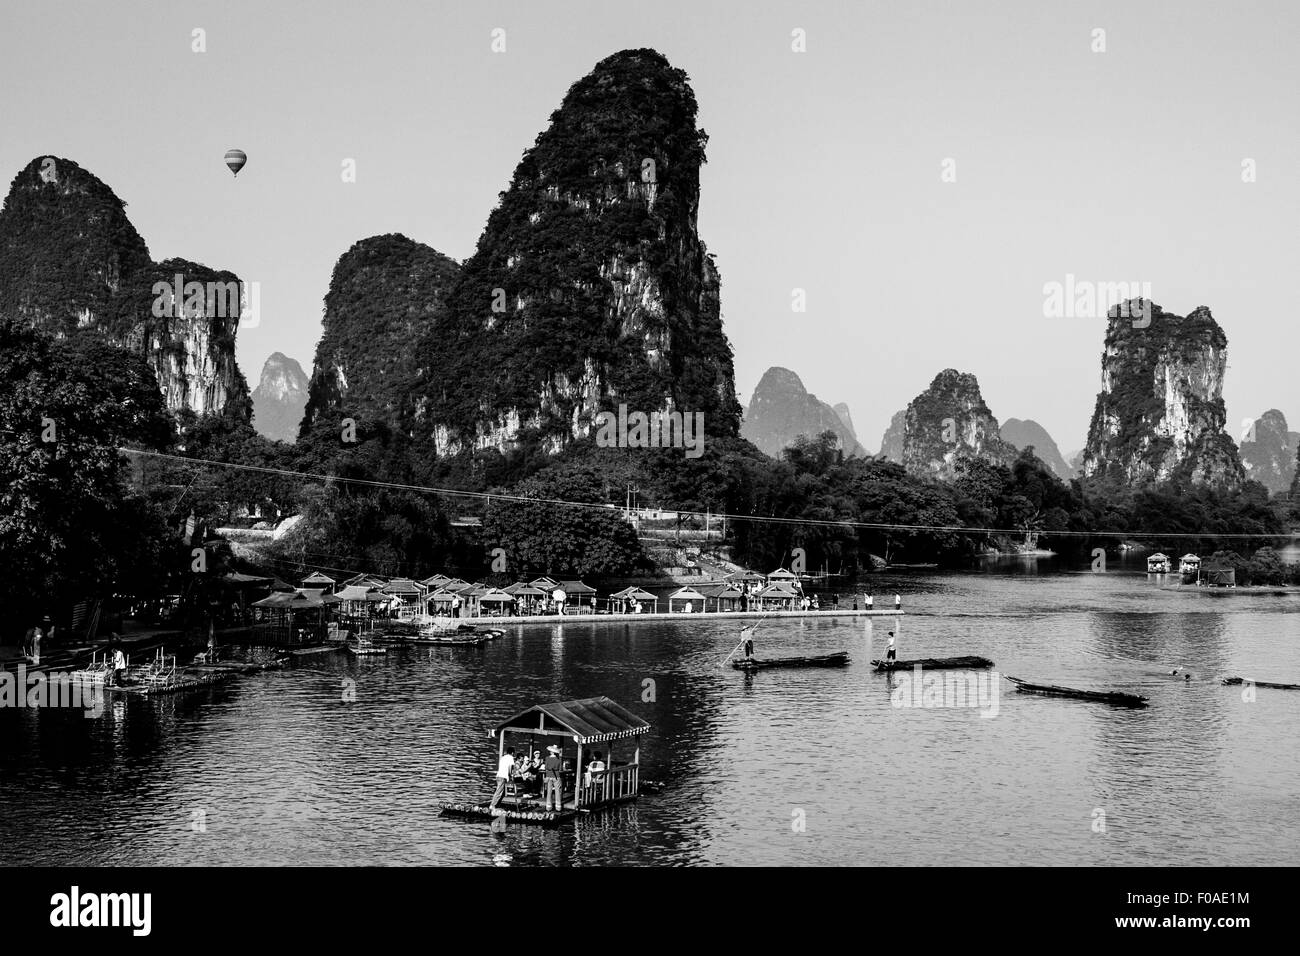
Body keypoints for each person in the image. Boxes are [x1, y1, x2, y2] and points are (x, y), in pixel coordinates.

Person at [543, 744, 564, 811]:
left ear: (551, 752)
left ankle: (548, 806)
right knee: (557, 791)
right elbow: (560, 769)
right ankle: (558, 806)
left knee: (549, 791)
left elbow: (546, 767)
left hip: (549, 775)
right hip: (556, 776)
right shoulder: (558, 759)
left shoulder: (547, 758)